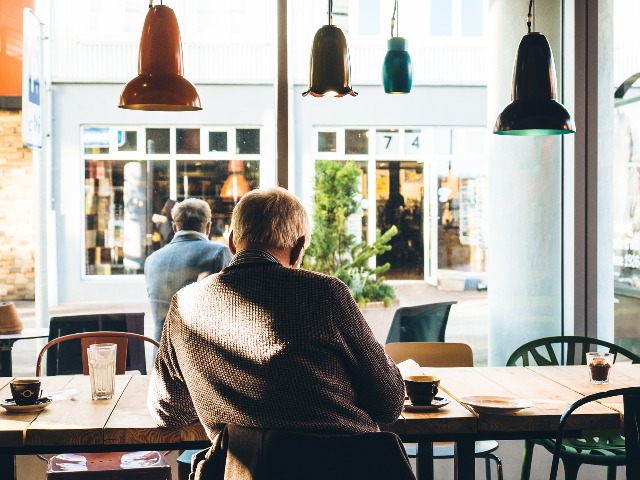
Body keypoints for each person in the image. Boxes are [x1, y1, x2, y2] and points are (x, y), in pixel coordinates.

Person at [147, 187, 404, 440]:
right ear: (298, 247)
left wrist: (219, 395)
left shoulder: (185, 304)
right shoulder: (325, 294)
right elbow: (389, 403)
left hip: (245, 470)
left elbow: (168, 411)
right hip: (347, 466)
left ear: (232, 242)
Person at [144, 198, 232, 342]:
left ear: (174, 228)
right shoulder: (218, 253)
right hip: (199, 355)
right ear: (208, 227)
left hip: (160, 355)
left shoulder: (152, 260)